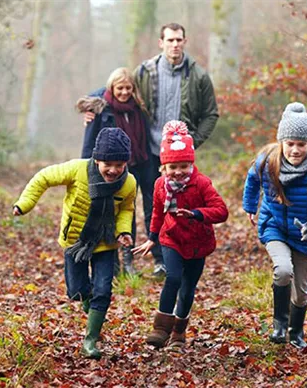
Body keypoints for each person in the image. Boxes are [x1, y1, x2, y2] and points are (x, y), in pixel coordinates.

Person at [85, 22, 220, 279]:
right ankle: (128, 259)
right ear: (161, 43)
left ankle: (164, 259)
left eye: (179, 40)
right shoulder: (145, 71)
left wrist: (192, 142)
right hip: (145, 151)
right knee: (131, 203)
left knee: (165, 206)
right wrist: (92, 105)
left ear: (185, 41)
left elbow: (211, 113)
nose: (175, 44)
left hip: (177, 158)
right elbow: (116, 86)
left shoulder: (198, 75)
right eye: (170, 40)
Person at [12, 127, 137, 359]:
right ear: (97, 158)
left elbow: (126, 210)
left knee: (103, 290)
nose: (113, 170)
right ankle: (90, 304)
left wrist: (123, 232)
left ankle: (90, 341)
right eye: (108, 163)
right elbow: (43, 178)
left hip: (106, 244)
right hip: (75, 241)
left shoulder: (128, 183)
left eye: (119, 165)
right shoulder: (77, 169)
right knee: (77, 291)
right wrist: (25, 204)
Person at [242, 102, 307, 349]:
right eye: (290, 143)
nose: (295, 150)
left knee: (302, 292)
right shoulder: (267, 162)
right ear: (282, 141)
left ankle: (296, 332)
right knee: (283, 270)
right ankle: (279, 326)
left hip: (304, 234)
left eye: (301, 145)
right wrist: (250, 206)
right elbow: (252, 180)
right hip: (274, 226)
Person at [133, 120, 228, 349]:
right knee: (173, 277)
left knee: (187, 289)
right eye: (172, 167)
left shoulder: (202, 184)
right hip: (171, 238)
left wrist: (197, 214)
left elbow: (221, 211)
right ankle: (161, 328)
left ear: (191, 164)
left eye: (184, 166)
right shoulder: (160, 186)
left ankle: (178, 332)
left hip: (198, 242)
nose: (178, 172)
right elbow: (157, 212)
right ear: (163, 168)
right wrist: (152, 238)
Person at [76, 67, 155, 276]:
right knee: (109, 213)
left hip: (136, 166)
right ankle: (113, 264)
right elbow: (89, 143)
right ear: (112, 87)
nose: (124, 92)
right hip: (108, 170)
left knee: (129, 212)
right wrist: (86, 170)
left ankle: (129, 261)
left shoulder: (137, 108)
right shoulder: (101, 109)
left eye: (128, 88)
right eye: (120, 88)